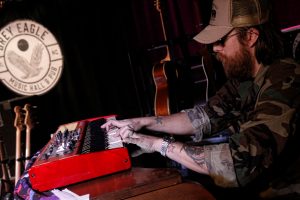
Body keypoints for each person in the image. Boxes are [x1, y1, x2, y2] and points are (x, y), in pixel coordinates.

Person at [102, 0, 300, 199]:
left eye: (221, 39)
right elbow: (204, 116)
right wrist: (142, 122)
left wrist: (158, 144)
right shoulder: (245, 78)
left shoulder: (286, 79)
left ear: (250, 37)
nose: (214, 48)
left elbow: (239, 161)